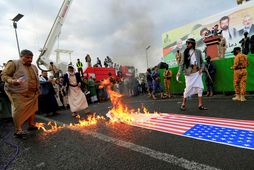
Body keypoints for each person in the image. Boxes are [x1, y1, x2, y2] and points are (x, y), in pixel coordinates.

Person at [1, 49, 40, 138]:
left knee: (32, 109)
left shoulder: (34, 67)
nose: (30, 60)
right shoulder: (13, 63)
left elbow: (36, 78)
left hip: (32, 93)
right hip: (17, 92)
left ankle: (31, 125)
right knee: (18, 110)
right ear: (21, 57)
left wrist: (38, 88)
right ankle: (18, 130)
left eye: (31, 58)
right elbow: (4, 75)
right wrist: (12, 81)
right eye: (27, 57)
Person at [176, 38, 207, 111]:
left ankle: (200, 105)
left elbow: (202, 62)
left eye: (188, 43)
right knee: (187, 89)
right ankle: (183, 104)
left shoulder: (198, 51)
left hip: (197, 73)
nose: (187, 45)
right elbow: (181, 64)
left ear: (192, 44)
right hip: (189, 74)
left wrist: (201, 69)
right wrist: (179, 72)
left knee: (200, 88)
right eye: (186, 43)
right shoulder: (185, 53)